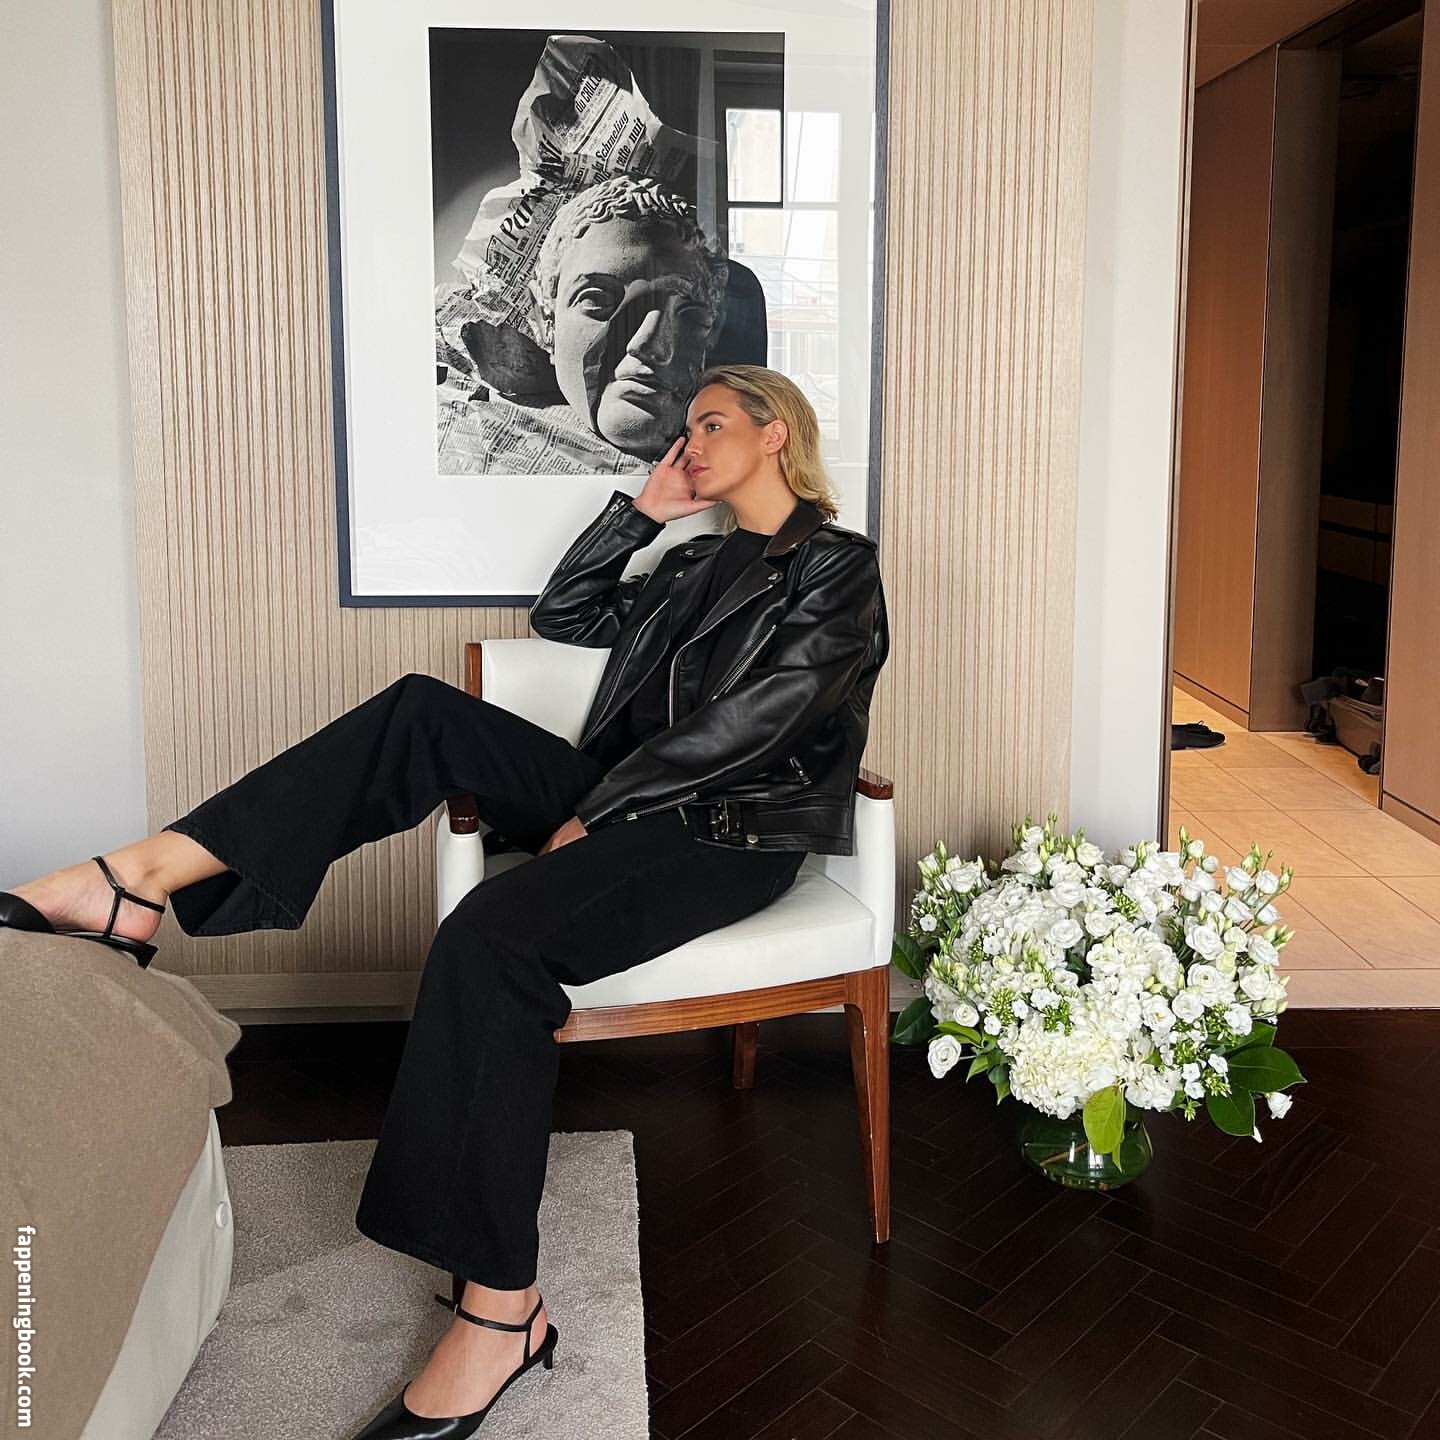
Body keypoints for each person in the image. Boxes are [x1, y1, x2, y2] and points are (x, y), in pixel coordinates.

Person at [0, 364, 888, 1439]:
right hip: (625, 797)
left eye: (708, 424)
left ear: (775, 430)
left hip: (725, 832)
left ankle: (502, 1311)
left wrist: (597, 812)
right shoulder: (694, 559)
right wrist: (639, 516)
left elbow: (771, 718)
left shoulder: (836, 566)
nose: (686, 445)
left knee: (491, 939)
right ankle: (136, 879)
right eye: (682, 432)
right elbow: (566, 613)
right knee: (422, 710)